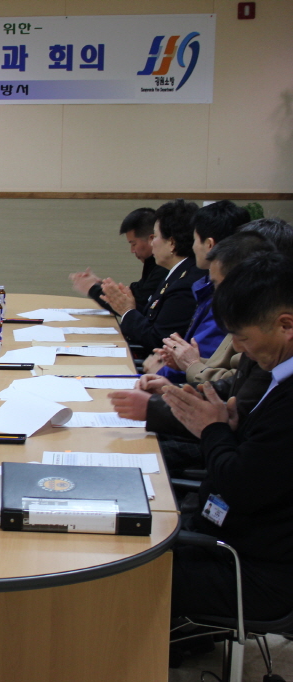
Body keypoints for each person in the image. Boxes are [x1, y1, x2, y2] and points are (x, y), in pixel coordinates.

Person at [166, 251, 293, 624]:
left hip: (253, 569)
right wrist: (231, 431)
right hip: (235, 540)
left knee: (122, 572)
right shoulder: (277, 373)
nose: (237, 348)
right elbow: (265, 464)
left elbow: (240, 485)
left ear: (285, 325)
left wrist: (214, 430)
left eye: (242, 336)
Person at [108, 232, 277, 475]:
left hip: (216, 449)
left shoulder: (262, 339)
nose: (239, 347)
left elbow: (235, 415)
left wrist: (161, 402)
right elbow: (230, 385)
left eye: (217, 284)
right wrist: (173, 391)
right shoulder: (251, 328)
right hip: (214, 441)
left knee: (123, 451)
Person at [143, 200, 250, 378]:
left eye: (195, 240)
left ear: (209, 245)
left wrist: (163, 370)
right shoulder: (206, 284)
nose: (192, 247)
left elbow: (203, 362)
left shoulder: (225, 295)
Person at [100, 199, 203, 355]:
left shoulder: (185, 284)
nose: (151, 243)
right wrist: (131, 306)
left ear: (172, 243)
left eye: (154, 237)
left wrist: (127, 311)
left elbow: (158, 340)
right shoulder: (176, 273)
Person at [69, 207, 167, 315]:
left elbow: (136, 307)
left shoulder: (164, 268)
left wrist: (91, 288)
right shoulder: (152, 263)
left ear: (152, 239)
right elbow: (134, 294)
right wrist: (101, 286)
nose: (132, 250)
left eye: (134, 244)